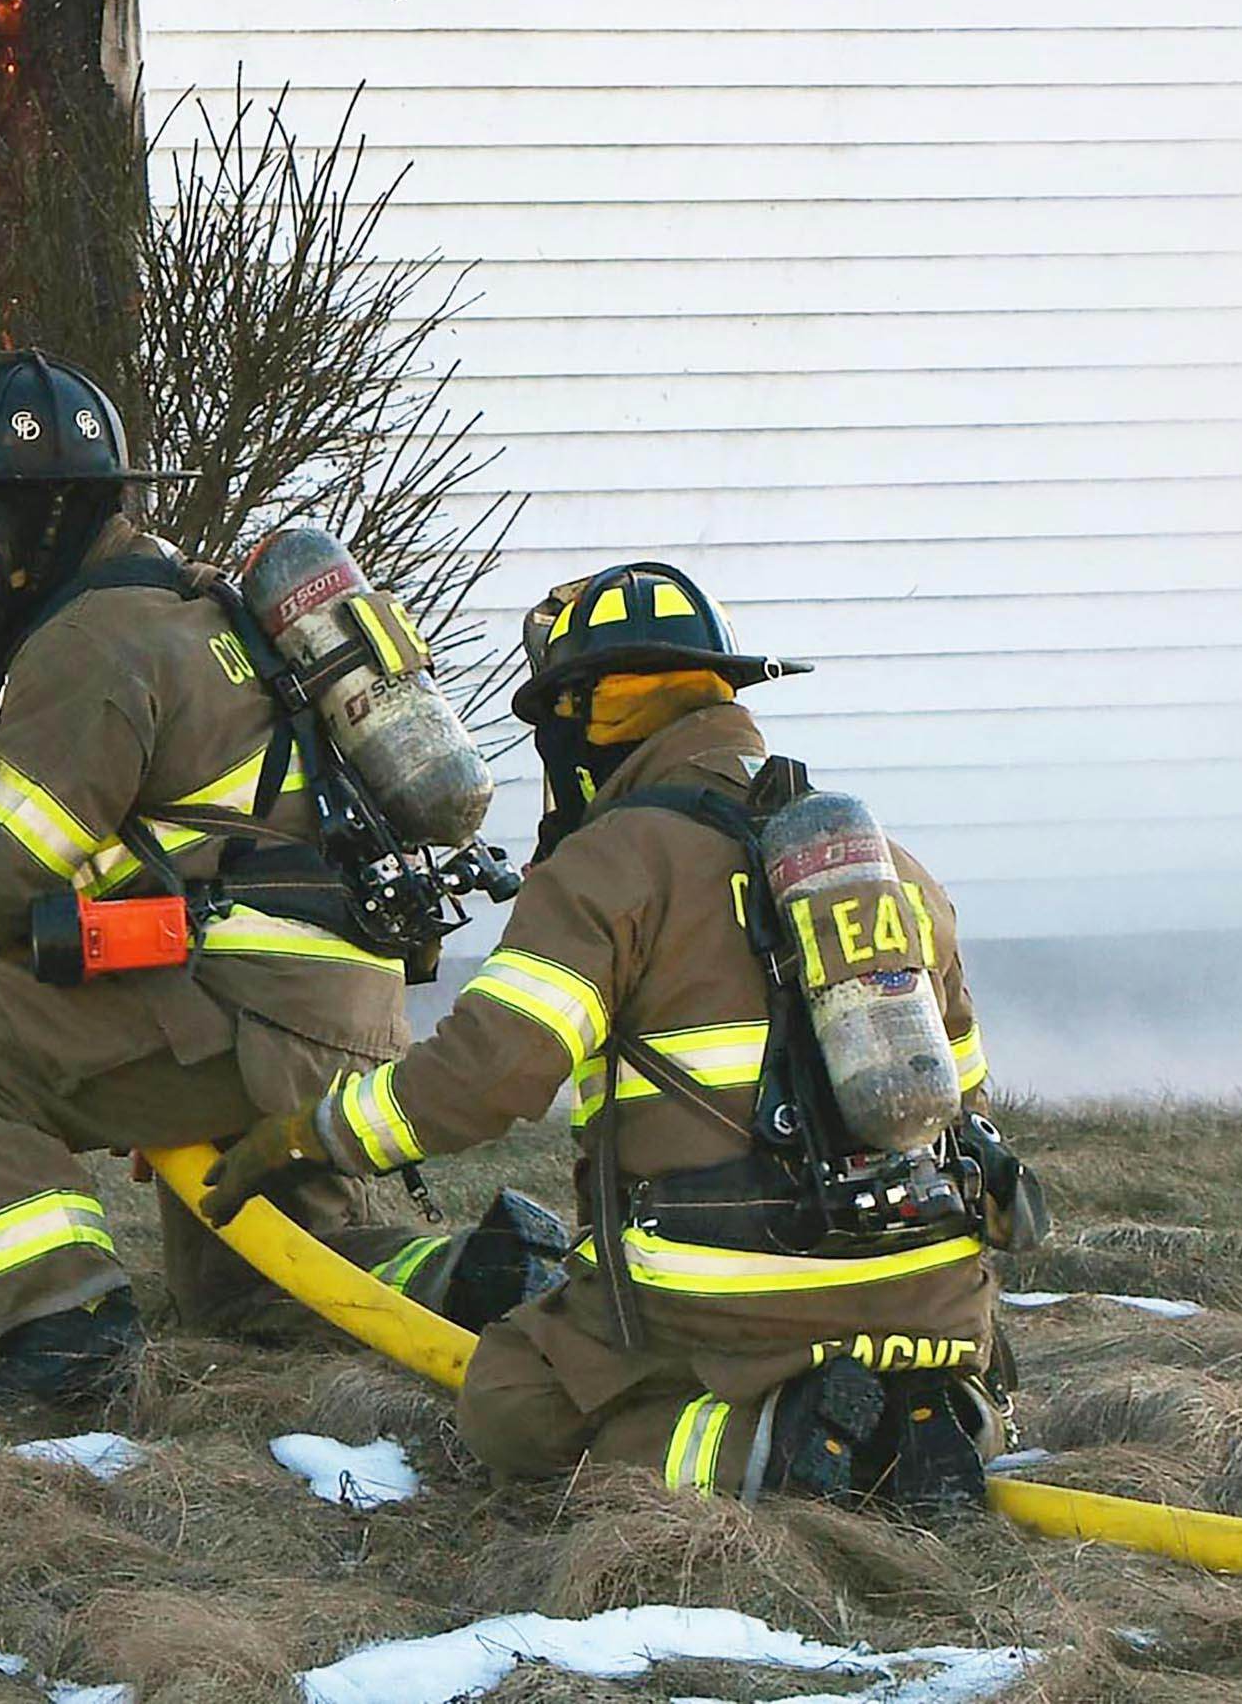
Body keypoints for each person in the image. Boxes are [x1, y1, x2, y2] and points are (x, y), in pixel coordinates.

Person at [206, 561, 1015, 1510]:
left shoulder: (613, 864)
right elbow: (965, 1107)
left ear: (584, 721)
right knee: (890, 1349)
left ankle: (778, 1446)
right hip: (932, 1303)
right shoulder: (887, 868)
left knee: (513, 1402)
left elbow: (482, 1077)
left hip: (724, 1305)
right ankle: (937, 1416)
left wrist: (304, 1136)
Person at [0, 355, 532, 1409]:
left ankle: (60, 1332)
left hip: (239, 1008)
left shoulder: (90, 644)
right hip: (327, 1014)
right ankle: (480, 1279)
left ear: (47, 524)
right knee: (243, 1276)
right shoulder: (192, 606)